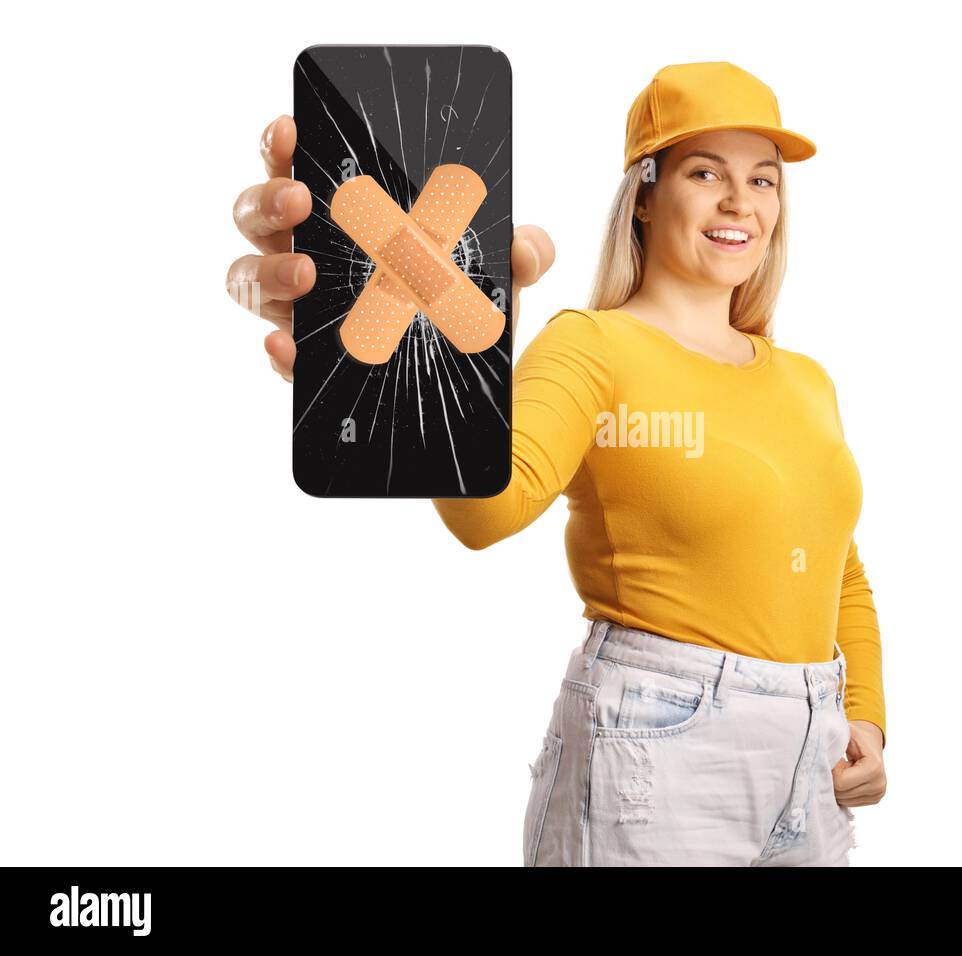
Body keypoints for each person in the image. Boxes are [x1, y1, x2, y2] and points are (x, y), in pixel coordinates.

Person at [227, 61, 887, 866]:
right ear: (644, 194)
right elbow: (486, 513)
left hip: (810, 763)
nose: (739, 203)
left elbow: (839, 569)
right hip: (659, 752)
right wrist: (419, 363)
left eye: (763, 179)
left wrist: (863, 717)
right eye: (704, 171)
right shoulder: (593, 347)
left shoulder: (805, 380)